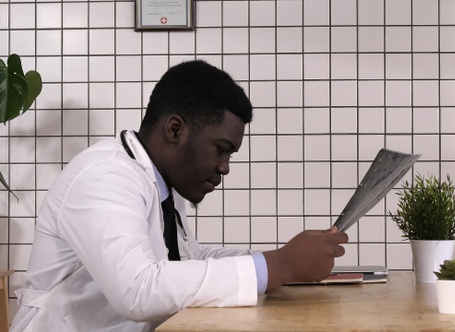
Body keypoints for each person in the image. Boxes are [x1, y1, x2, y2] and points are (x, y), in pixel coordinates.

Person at [10, 60, 348, 331]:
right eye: (221, 149)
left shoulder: (160, 182)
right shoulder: (104, 175)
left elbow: (188, 260)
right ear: (175, 129)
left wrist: (281, 259)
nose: (225, 167)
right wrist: (279, 266)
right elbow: (138, 289)